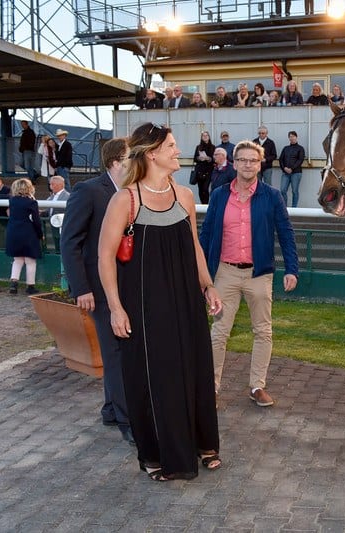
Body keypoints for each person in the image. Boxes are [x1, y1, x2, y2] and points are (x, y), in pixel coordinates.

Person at [98, 122, 222, 481]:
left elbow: (195, 246)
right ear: (152, 153)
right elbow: (105, 257)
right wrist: (116, 307)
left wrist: (208, 286)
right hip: (145, 307)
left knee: (194, 369)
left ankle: (202, 443)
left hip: (186, 302)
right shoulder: (125, 199)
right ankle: (158, 454)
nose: (176, 150)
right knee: (156, 377)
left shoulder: (184, 195)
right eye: (170, 145)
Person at [199, 140, 299, 407]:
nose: (247, 164)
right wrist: (201, 274)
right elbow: (206, 233)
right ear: (234, 163)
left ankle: (257, 387)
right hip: (224, 274)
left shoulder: (272, 196)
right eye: (242, 159)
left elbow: (286, 234)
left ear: (260, 164)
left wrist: (292, 269)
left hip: (259, 275)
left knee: (263, 332)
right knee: (219, 333)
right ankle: (212, 389)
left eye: (253, 160)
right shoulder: (219, 195)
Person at [61, 137, 134, 446]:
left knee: (117, 349)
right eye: (133, 157)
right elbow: (70, 241)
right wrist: (82, 288)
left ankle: (109, 408)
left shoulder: (132, 194)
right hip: (98, 288)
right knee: (116, 353)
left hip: (124, 285)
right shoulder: (88, 191)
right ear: (116, 162)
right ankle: (127, 419)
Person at [5, 178, 43, 295]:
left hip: (13, 231)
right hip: (28, 232)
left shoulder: (12, 201)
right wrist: (40, 234)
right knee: (30, 261)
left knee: (17, 260)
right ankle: (30, 286)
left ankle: (14, 284)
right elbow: (36, 221)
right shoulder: (31, 202)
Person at [41, 175, 70, 252]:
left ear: (59, 185)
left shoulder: (68, 196)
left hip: (61, 225)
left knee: (61, 243)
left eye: (52, 184)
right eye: (50, 184)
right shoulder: (51, 197)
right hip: (50, 224)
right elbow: (47, 209)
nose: (50, 186)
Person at [279, 131, 305, 207]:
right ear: (289, 138)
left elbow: (300, 160)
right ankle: (284, 207)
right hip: (285, 173)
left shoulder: (300, 148)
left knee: (294, 191)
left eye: (293, 136)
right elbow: (281, 159)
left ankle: (294, 208)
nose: (292, 138)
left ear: (296, 137)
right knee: (283, 190)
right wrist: (284, 168)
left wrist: (292, 169)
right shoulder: (285, 148)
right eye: (290, 136)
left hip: (296, 173)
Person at [193, 131, 216, 204]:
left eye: (206, 135)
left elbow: (215, 160)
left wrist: (209, 158)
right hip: (200, 171)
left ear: (209, 137)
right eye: (203, 136)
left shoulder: (213, 147)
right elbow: (195, 158)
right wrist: (199, 158)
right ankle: (203, 204)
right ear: (201, 138)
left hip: (209, 171)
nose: (205, 137)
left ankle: (206, 204)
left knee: (205, 188)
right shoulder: (198, 147)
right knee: (200, 189)